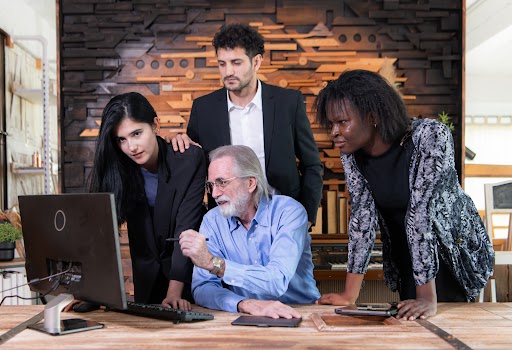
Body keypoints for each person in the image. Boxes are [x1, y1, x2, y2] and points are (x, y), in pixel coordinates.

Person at [313, 69, 494, 320]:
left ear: (372, 116)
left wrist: (427, 299)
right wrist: (349, 295)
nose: (333, 132)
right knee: (411, 327)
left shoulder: (430, 136)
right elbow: (361, 220)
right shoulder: (353, 153)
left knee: (446, 327)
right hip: (407, 252)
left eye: (342, 122)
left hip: (448, 252)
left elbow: (421, 214)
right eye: (331, 124)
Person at [170, 23, 323, 228]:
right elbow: (195, 168)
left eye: (236, 62)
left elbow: (312, 164)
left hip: (283, 217)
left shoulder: (288, 102)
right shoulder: (203, 108)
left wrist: (308, 217)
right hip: (226, 222)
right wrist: (180, 142)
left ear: (256, 62)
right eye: (222, 64)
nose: (228, 71)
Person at [89, 92, 206, 310]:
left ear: (155, 125)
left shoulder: (188, 160)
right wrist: (88, 292)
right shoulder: (119, 169)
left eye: (136, 134)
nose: (131, 147)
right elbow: (100, 234)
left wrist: (174, 293)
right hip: (145, 281)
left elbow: (186, 227)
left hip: (185, 279)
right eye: (121, 139)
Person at [177, 145, 320, 318]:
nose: (214, 193)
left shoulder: (289, 212)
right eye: (211, 185)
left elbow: (277, 280)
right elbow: (202, 288)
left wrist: (215, 264)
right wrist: (242, 304)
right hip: (248, 316)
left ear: (250, 183)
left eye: (222, 183)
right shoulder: (212, 221)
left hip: (301, 314)